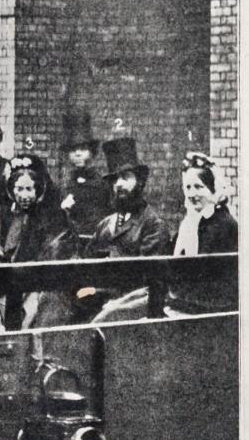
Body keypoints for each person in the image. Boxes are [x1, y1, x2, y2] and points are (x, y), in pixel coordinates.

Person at [81, 137, 170, 320]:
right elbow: (86, 265)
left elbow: (145, 281)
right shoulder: (106, 224)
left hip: (134, 304)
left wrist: (103, 294)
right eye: (114, 179)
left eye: (125, 177)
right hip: (101, 298)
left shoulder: (153, 226)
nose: (118, 184)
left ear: (140, 182)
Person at [167, 151, 237, 314]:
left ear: (213, 189)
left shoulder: (223, 225)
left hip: (210, 310)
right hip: (185, 301)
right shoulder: (191, 222)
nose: (192, 194)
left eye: (198, 187)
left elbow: (213, 281)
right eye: (188, 187)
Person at [57, 111, 110, 236]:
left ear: (91, 152)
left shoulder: (101, 184)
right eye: (73, 149)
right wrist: (63, 209)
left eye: (83, 149)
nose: (78, 154)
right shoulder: (65, 185)